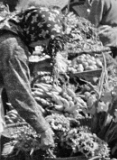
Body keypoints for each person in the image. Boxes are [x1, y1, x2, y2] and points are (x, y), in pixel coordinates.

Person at [0, 8, 71, 148]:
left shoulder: (11, 29)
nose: (43, 45)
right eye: (43, 40)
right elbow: (19, 93)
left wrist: (34, 65)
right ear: (34, 32)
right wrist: (43, 128)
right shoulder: (13, 48)